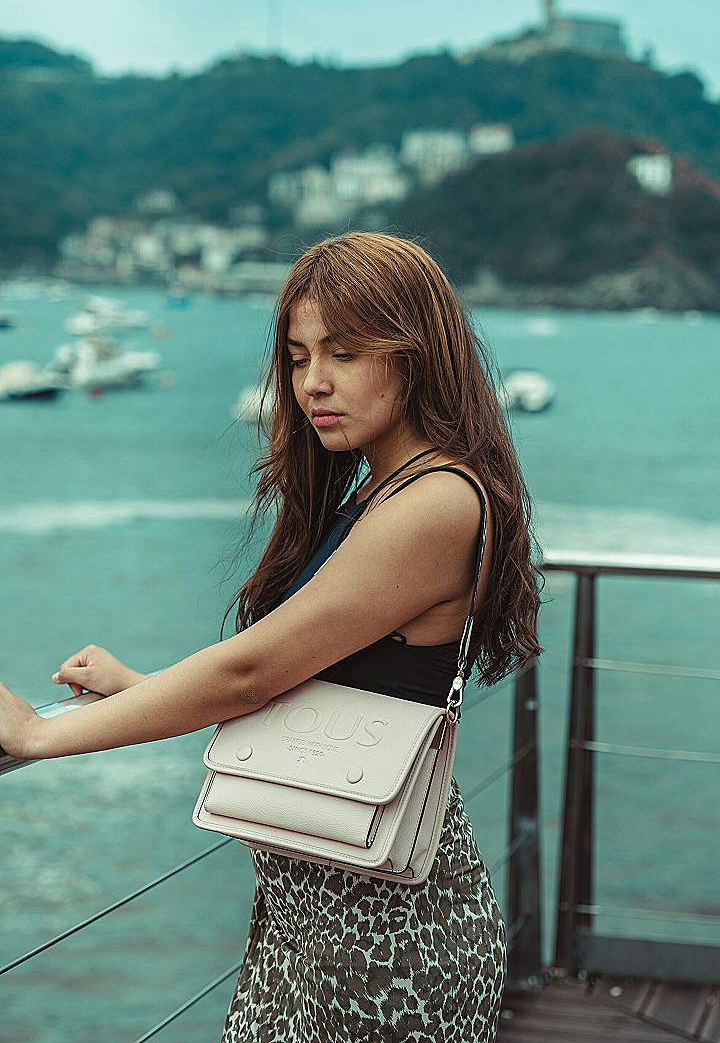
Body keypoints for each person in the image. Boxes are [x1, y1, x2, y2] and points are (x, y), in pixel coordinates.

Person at [0, 231, 543, 1042]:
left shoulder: (434, 502)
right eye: (297, 357)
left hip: (388, 941)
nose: (313, 383)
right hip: (310, 923)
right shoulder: (379, 490)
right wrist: (143, 690)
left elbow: (253, 672)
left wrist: (41, 736)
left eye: (346, 353)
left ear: (417, 355)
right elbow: (312, 692)